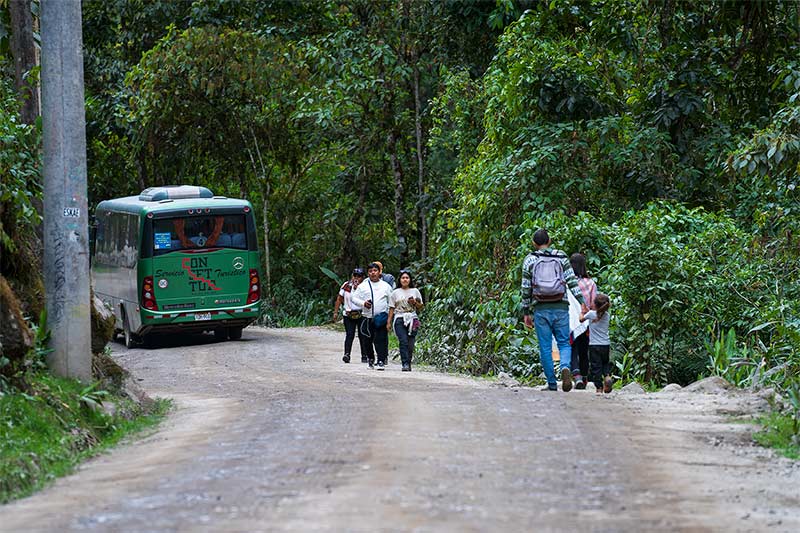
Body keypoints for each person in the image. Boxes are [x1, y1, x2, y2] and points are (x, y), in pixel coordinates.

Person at [521, 228, 586, 392]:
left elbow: (525, 288)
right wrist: (582, 302)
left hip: (540, 308)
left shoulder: (530, 260)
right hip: (561, 306)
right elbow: (572, 281)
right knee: (564, 343)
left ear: (534, 244)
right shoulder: (561, 256)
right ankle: (565, 367)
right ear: (549, 241)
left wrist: (526, 312)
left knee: (545, 346)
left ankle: (551, 383)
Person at [351, 262, 393, 370]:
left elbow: (391, 301)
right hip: (366, 317)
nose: (373, 273)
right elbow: (353, 298)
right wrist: (363, 303)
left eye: (375, 270)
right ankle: (370, 358)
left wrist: (388, 317)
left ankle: (380, 360)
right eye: (370, 271)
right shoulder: (362, 286)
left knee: (381, 339)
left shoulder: (386, 286)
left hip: (381, 317)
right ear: (368, 273)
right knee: (367, 339)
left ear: (379, 272)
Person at [569, 252, 597, 389]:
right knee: (584, 350)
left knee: (572, 347)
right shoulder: (590, 283)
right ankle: (584, 378)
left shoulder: (567, 283)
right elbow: (593, 304)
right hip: (585, 321)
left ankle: (576, 375)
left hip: (570, 322)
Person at [388, 269, 424, 372]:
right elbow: (391, 308)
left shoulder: (415, 291)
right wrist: (388, 322)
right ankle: (404, 363)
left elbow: (421, 307)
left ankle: (409, 361)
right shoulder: (395, 293)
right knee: (403, 341)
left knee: (411, 342)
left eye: (407, 278)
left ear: (410, 280)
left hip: (413, 318)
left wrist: (414, 303)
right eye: (403, 278)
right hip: (399, 318)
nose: (405, 280)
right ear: (400, 280)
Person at [580, 293, 612, 393]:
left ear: (595, 304)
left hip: (594, 345)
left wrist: (582, 312)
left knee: (596, 367)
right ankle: (607, 376)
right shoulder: (607, 316)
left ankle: (599, 387)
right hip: (605, 345)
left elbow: (581, 319)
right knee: (605, 363)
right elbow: (598, 314)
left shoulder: (591, 314)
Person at [333, 268, 367, 363]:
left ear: (363, 278)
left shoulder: (365, 287)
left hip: (362, 314)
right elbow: (339, 298)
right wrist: (335, 312)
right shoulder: (346, 285)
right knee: (350, 334)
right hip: (348, 314)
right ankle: (347, 354)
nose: (356, 278)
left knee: (362, 335)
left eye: (359, 276)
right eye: (355, 276)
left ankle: (364, 355)